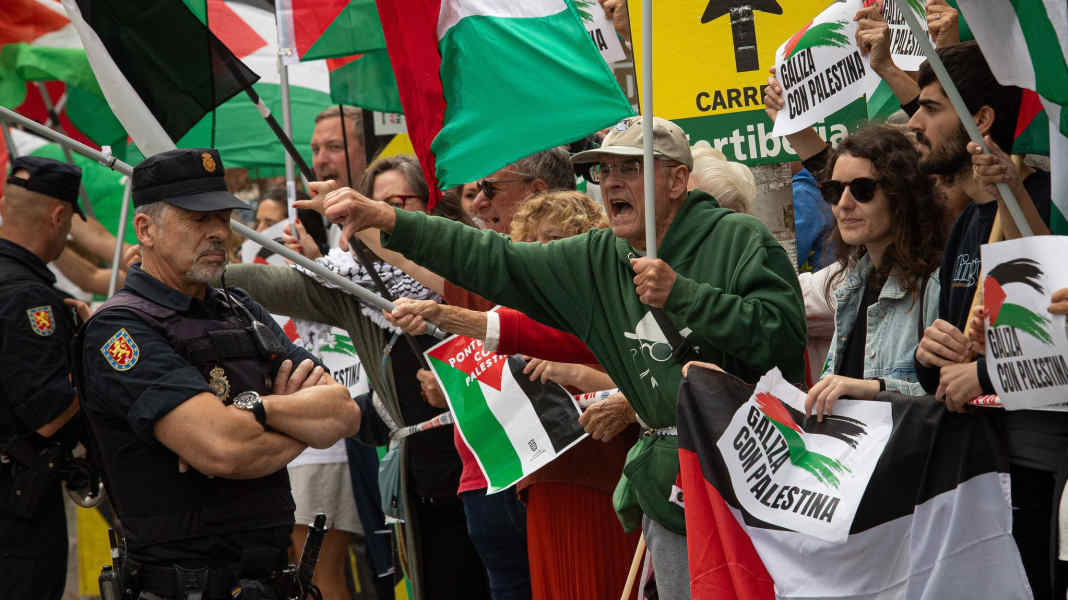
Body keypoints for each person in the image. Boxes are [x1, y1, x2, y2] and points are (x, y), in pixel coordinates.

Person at [314, 116, 806, 599]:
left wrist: (684, 294)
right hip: (667, 488)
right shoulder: (597, 256)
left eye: (629, 169)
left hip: (751, 476)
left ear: (678, 178)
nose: (611, 181)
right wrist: (388, 219)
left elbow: (782, 339)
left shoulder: (738, 238)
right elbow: (493, 257)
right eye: (603, 170)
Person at [77, 148, 360, 599]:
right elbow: (224, 449)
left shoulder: (239, 308)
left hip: (271, 578)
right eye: (196, 219)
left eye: (223, 218)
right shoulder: (120, 329)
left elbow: (343, 413)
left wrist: (252, 411)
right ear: (145, 230)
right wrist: (295, 422)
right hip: (184, 582)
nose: (217, 233)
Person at [385, 190, 642, 600]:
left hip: (603, 480)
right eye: (533, 244)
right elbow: (489, 324)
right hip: (541, 483)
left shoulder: (605, 301)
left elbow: (646, 380)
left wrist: (574, 372)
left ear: (583, 242)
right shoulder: (525, 307)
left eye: (555, 239)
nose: (544, 251)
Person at [803, 125, 943, 418]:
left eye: (862, 190)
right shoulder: (852, 284)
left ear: (900, 193)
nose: (844, 204)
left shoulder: (936, 282)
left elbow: (951, 394)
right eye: (833, 190)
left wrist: (873, 388)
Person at [0, 156, 88, 600]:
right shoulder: (30, 296)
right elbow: (49, 415)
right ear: (58, 216)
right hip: (16, 514)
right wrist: (87, 356)